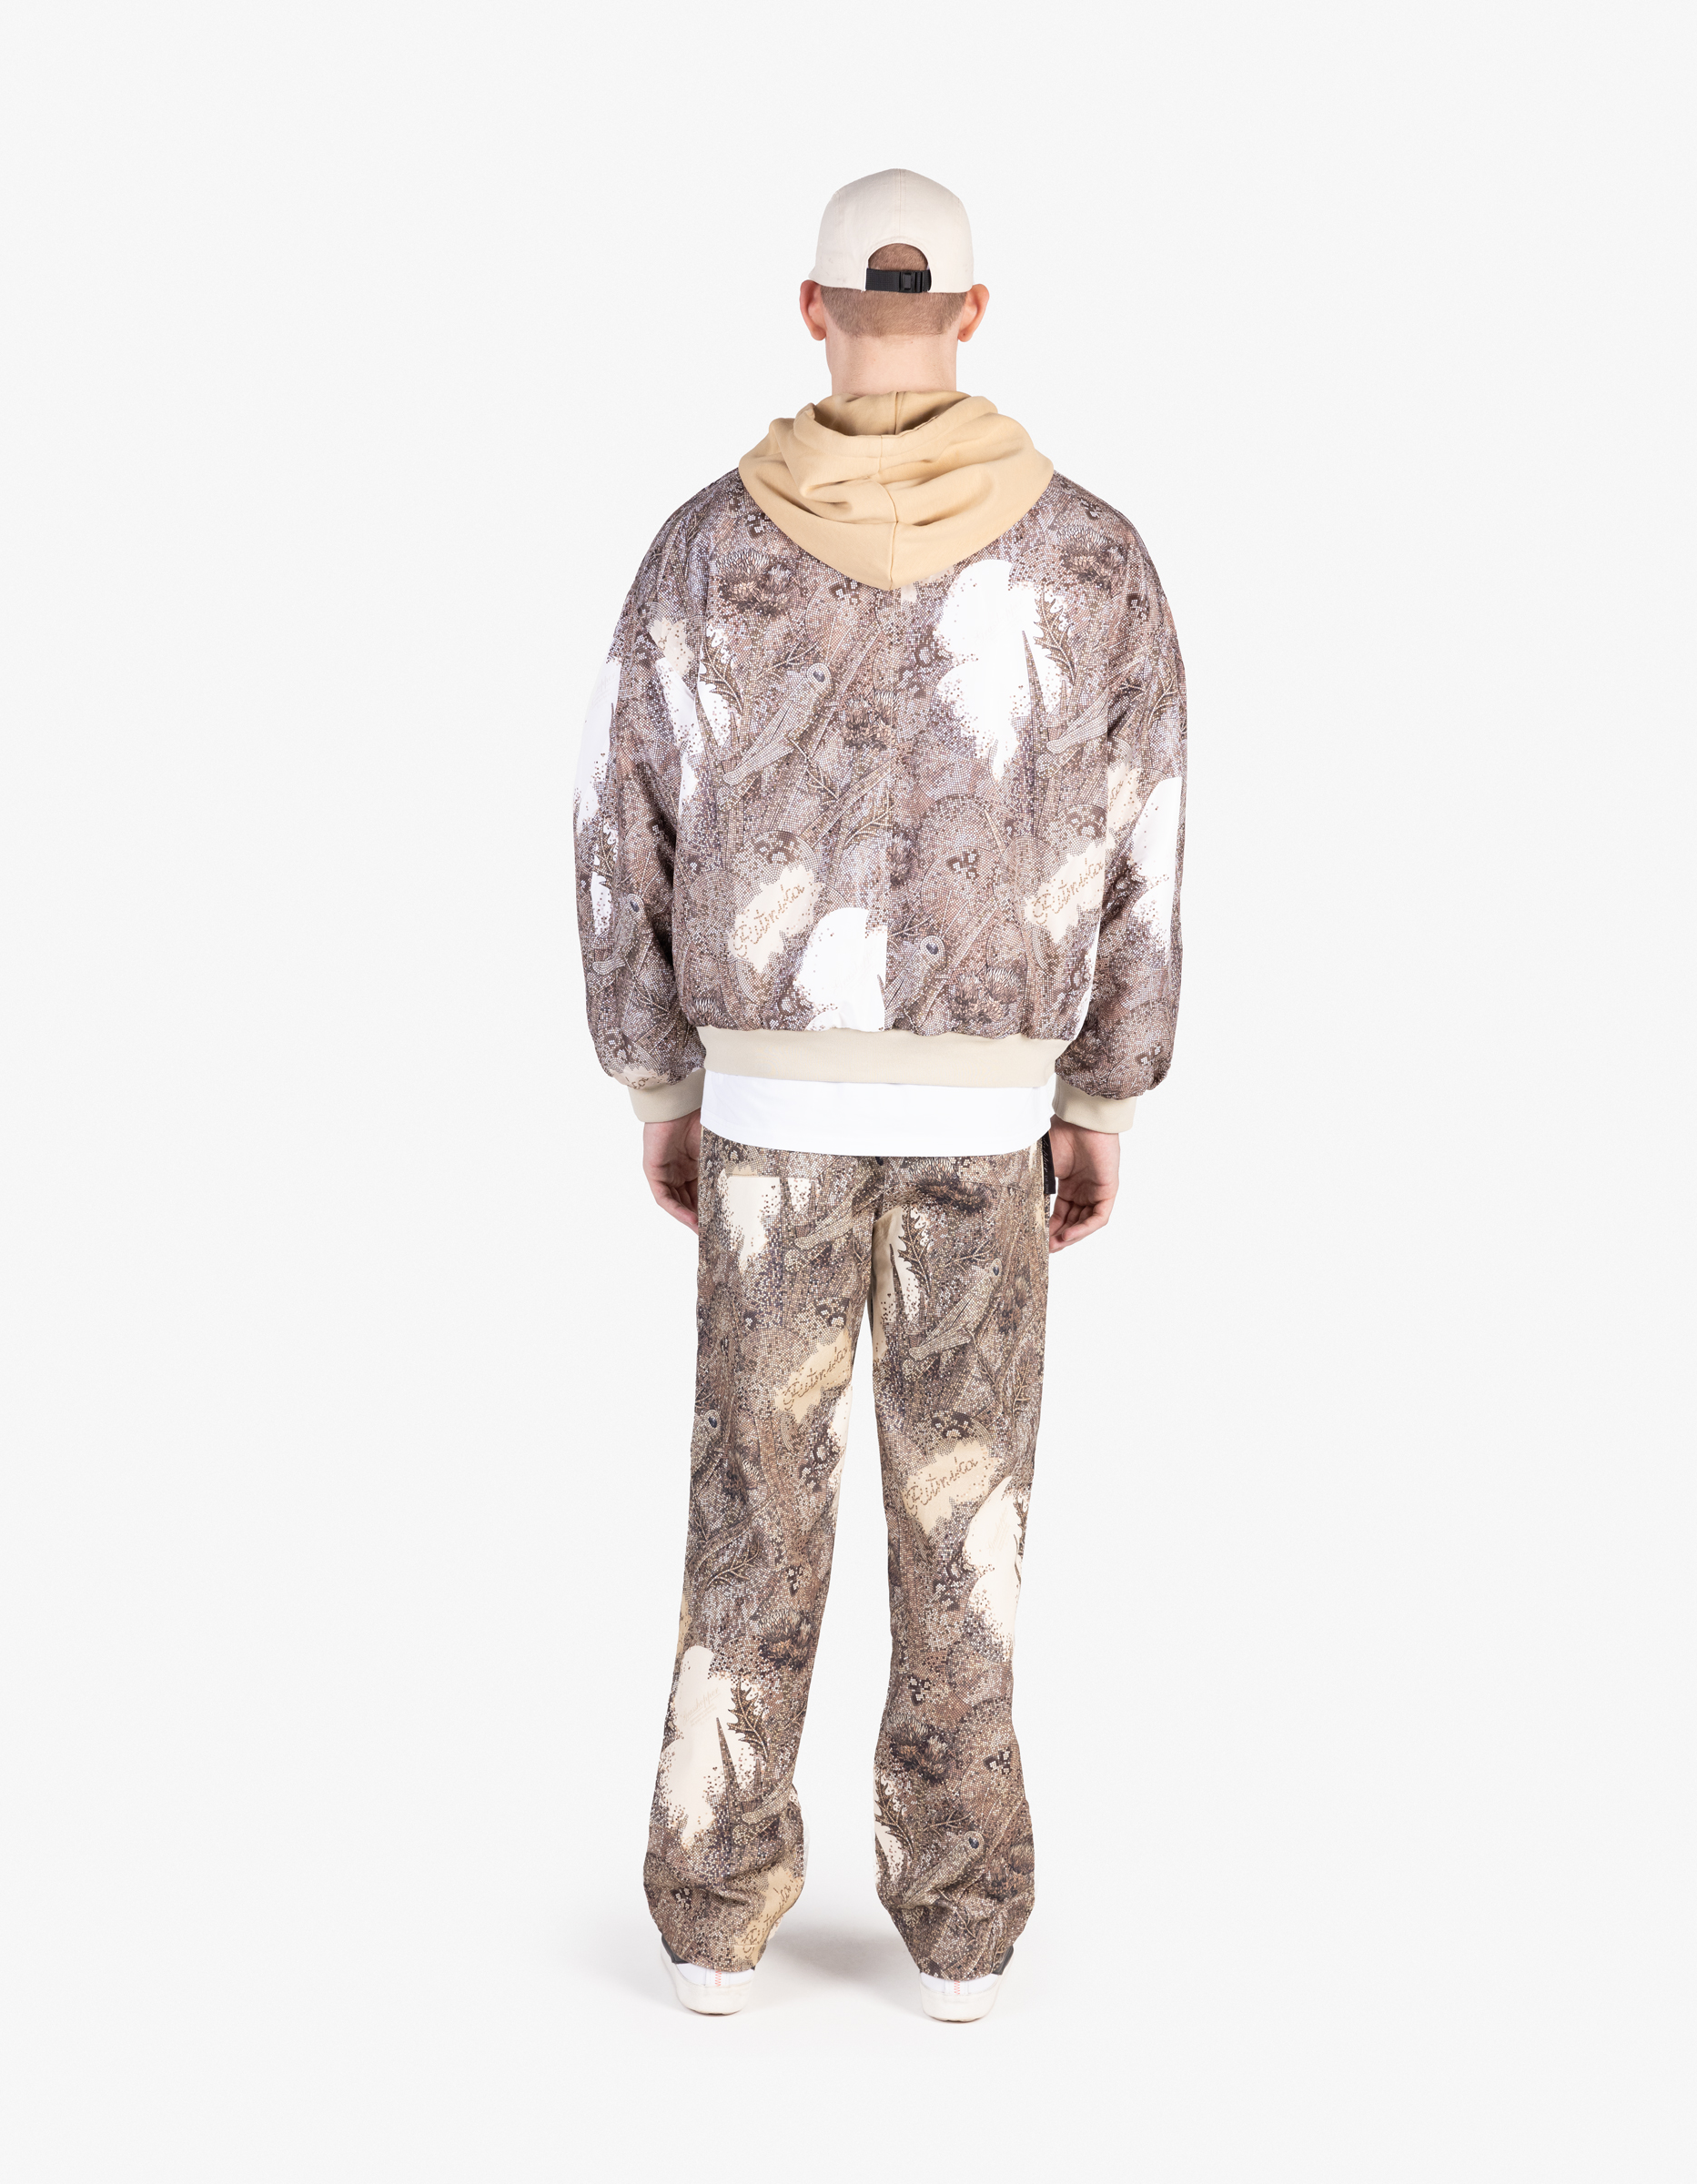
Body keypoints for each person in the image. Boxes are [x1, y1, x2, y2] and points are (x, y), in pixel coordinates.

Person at [574, 169, 1186, 2022]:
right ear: (974, 315)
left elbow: (621, 829)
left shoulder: (704, 550)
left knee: (751, 1517)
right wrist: (1104, 1094)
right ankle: (961, 1929)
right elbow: (1145, 839)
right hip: (987, 1123)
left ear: (813, 308)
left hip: (768, 1108)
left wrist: (658, 1075)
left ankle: (712, 1922)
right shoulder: (1091, 562)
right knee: (964, 1529)